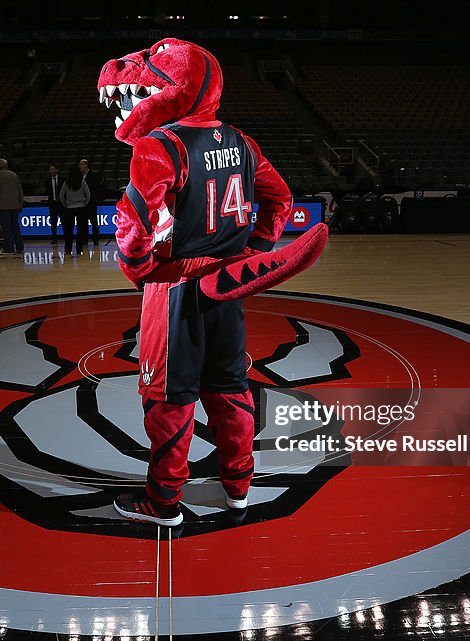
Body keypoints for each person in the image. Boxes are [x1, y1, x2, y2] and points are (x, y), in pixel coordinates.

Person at [99, 39, 319, 527]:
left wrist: (140, 271)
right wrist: (254, 252)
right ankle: (239, 488)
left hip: (176, 287)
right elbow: (280, 199)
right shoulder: (241, 141)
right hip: (228, 286)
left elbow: (133, 226)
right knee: (230, 390)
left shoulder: (158, 145)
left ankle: (163, 503)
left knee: (170, 401)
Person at [0, 158, 24, 257]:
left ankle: (9, 249)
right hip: (14, 205)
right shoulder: (14, 175)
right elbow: (20, 190)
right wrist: (20, 203)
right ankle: (20, 247)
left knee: (7, 228)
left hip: (3, 206)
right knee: (15, 226)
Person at [59, 166, 91, 255]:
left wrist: (65, 204)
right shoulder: (82, 182)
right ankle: (79, 249)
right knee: (80, 230)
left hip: (69, 208)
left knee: (68, 230)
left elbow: (61, 196)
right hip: (81, 208)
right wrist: (85, 203)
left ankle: (68, 249)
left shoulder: (66, 183)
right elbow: (88, 195)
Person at [79, 158, 103, 246]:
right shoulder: (78, 176)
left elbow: (96, 188)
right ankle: (85, 239)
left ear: (86, 165)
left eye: (82, 164)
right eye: (80, 164)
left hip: (92, 202)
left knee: (94, 222)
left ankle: (96, 239)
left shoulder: (94, 176)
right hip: (82, 203)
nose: (80, 166)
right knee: (83, 223)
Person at [45, 164, 63, 244]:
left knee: (64, 221)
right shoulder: (47, 181)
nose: (51, 171)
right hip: (53, 204)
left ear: (57, 170)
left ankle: (66, 236)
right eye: (50, 169)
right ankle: (54, 238)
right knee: (53, 222)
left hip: (61, 203)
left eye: (52, 169)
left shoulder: (63, 180)